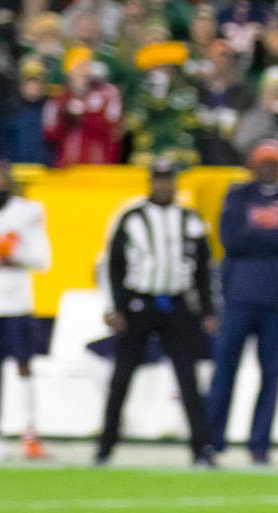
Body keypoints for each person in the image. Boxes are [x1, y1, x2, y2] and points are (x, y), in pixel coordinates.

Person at [96, 159, 215, 467]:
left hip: (176, 304)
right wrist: (113, 307)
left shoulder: (189, 219)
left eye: (167, 179)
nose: (163, 185)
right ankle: (106, 445)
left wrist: (208, 309)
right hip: (139, 304)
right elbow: (112, 266)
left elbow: (203, 269)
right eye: (158, 179)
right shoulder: (131, 218)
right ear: (150, 182)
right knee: (122, 376)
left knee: (188, 378)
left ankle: (201, 448)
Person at [206, 139, 278, 465]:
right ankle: (212, 440)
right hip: (238, 298)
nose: (269, 167)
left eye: (274, 161)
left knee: (271, 374)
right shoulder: (238, 195)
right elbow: (232, 239)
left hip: (277, 300)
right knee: (225, 371)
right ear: (253, 164)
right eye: (264, 161)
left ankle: (259, 444)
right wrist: (275, 239)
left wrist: (257, 235)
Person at [0, 162, 50, 461]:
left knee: (25, 367)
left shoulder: (28, 212)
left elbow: (43, 258)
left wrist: (13, 253)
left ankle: (29, 433)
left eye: (4, 177)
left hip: (18, 302)